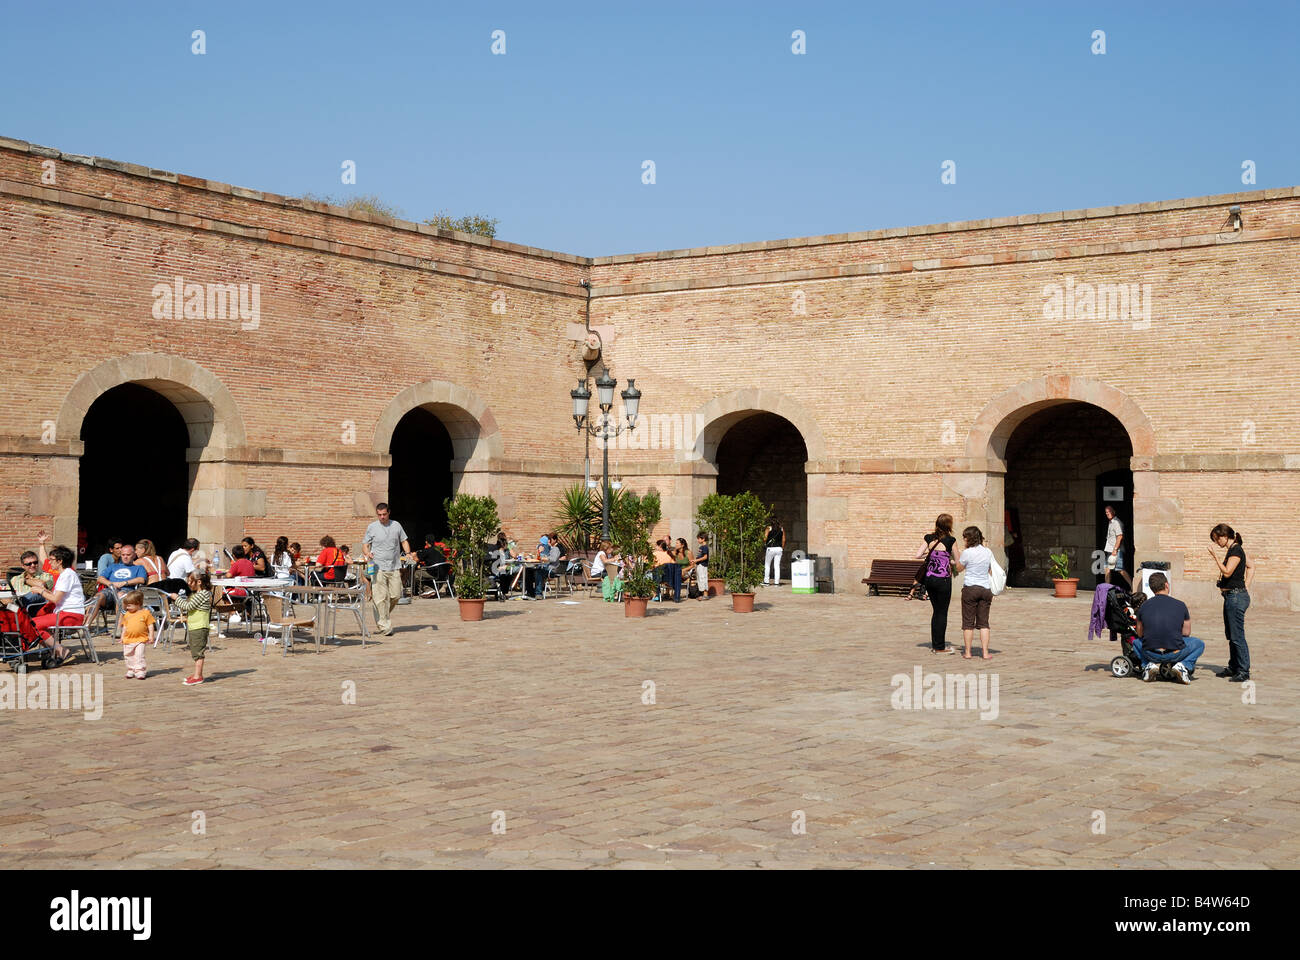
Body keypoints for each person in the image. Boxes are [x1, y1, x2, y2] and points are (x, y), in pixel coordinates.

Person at [1133, 572, 1204, 683]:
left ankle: (1147, 665)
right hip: (1175, 652)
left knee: (1136, 642)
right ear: (1166, 585)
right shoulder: (1181, 605)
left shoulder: (1143, 606)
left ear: (1152, 589)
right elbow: (1186, 633)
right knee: (1199, 644)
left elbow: (1140, 634)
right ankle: (1183, 665)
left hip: (1151, 653)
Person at [1208, 523, 1253, 682]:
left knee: (1237, 636)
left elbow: (1227, 572)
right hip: (1231, 597)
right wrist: (1245, 585)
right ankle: (1234, 666)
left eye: (1216, 539)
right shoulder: (1234, 550)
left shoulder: (1236, 550)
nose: (1216, 543)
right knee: (1231, 634)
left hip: (1236, 597)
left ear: (1224, 536)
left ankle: (1243, 670)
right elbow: (1251, 567)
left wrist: (1215, 557)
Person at [28, 544, 83, 664]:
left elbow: (56, 599)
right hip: (66, 613)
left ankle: (60, 650)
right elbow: (57, 597)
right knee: (32, 624)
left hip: (70, 616)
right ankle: (56, 649)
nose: (49, 562)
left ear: (60, 561)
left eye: (52, 560)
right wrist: (42, 589)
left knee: (31, 624)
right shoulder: (66, 574)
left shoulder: (67, 575)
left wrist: (41, 591)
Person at [363, 503, 413, 635]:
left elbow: (404, 540)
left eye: (384, 514)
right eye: (379, 515)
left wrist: (407, 553)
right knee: (380, 597)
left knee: (396, 595)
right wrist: (367, 553)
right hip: (377, 567)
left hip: (394, 566)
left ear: (389, 512)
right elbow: (365, 544)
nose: (382, 517)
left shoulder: (396, 525)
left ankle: (382, 616)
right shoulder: (372, 527)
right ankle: (385, 626)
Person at [914, 514, 957, 654]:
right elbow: (958, 561)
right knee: (942, 613)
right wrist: (946, 559)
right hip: (943, 580)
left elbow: (918, 555)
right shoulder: (951, 540)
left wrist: (931, 553)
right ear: (949, 525)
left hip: (929, 580)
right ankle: (939, 647)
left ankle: (936, 644)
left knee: (936, 612)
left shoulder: (929, 538)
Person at [83, 542, 148, 631]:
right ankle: (85, 626)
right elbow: (100, 578)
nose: (125, 557)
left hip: (127, 591)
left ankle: (119, 627)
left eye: (128, 555)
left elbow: (141, 579)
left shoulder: (139, 568)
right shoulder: (114, 566)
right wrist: (110, 583)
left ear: (134, 555)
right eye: (123, 555)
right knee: (98, 597)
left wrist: (125, 582)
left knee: (121, 595)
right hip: (110, 590)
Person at [951, 526, 993, 660]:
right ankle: (985, 653)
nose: (963, 540)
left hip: (970, 588)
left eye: (964, 537)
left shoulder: (967, 553)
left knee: (968, 623)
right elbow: (990, 570)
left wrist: (954, 561)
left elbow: (959, 568)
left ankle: (968, 652)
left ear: (969, 538)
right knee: (984, 623)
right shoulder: (988, 552)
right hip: (985, 589)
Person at [170, 571, 213, 685]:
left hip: (200, 626)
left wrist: (177, 598)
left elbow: (188, 606)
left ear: (199, 582)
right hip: (195, 626)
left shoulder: (202, 594)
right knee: (195, 651)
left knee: (198, 653)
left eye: (190, 581)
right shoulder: (197, 594)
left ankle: (198, 676)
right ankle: (196, 674)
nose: (188, 583)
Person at [117, 590, 156, 679]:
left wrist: (151, 635)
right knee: (128, 655)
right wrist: (122, 637)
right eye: (126, 605)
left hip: (141, 639)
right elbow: (125, 626)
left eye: (129, 605)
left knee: (139, 655)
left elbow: (150, 625)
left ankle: (140, 670)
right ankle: (131, 669)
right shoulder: (127, 614)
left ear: (138, 604)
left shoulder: (145, 613)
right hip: (128, 639)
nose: (127, 607)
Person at [10, 550, 53, 617]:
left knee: (35, 594)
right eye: (29, 564)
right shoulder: (15, 579)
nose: (32, 565)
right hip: (14, 608)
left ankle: (20, 605)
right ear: (23, 566)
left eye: (35, 562)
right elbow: (6, 593)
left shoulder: (46, 576)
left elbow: (41, 585)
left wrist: (25, 580)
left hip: (35, 608)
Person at [1102, 505, 1132, 588]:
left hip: (1116, 550)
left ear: (1113, 512)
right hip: (1110, 550)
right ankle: (1106, 588)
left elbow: (1120, 536)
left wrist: (1115, 550)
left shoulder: (1116, 523)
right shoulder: (1111, 522)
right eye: (1106, 512)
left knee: (1120, 569)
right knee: (1107, 568)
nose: (1108, 514)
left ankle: (1133, 586)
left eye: (1109, 512)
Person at [763, 518, 785, 587]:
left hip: (770, 548)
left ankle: (766, 582)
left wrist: (764, 542)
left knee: (767, 565)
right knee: (777, 566)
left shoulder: (768, 528)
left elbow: (765, 538)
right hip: (779, 549)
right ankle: (776, 583)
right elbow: (784, 540)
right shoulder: (781, 529)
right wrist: (782, 548)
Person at [689, 533, 710, 601]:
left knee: (703, 578)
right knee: (700, 579)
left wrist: (696, 560)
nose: (697, 540)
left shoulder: (704, 547)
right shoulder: (701, 547)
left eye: (699, 538)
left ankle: (705, 595)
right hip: (699, 565)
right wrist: (695, 561)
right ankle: (702, 594)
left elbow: (705, 557)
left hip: (703, 565)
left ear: (703, 539)